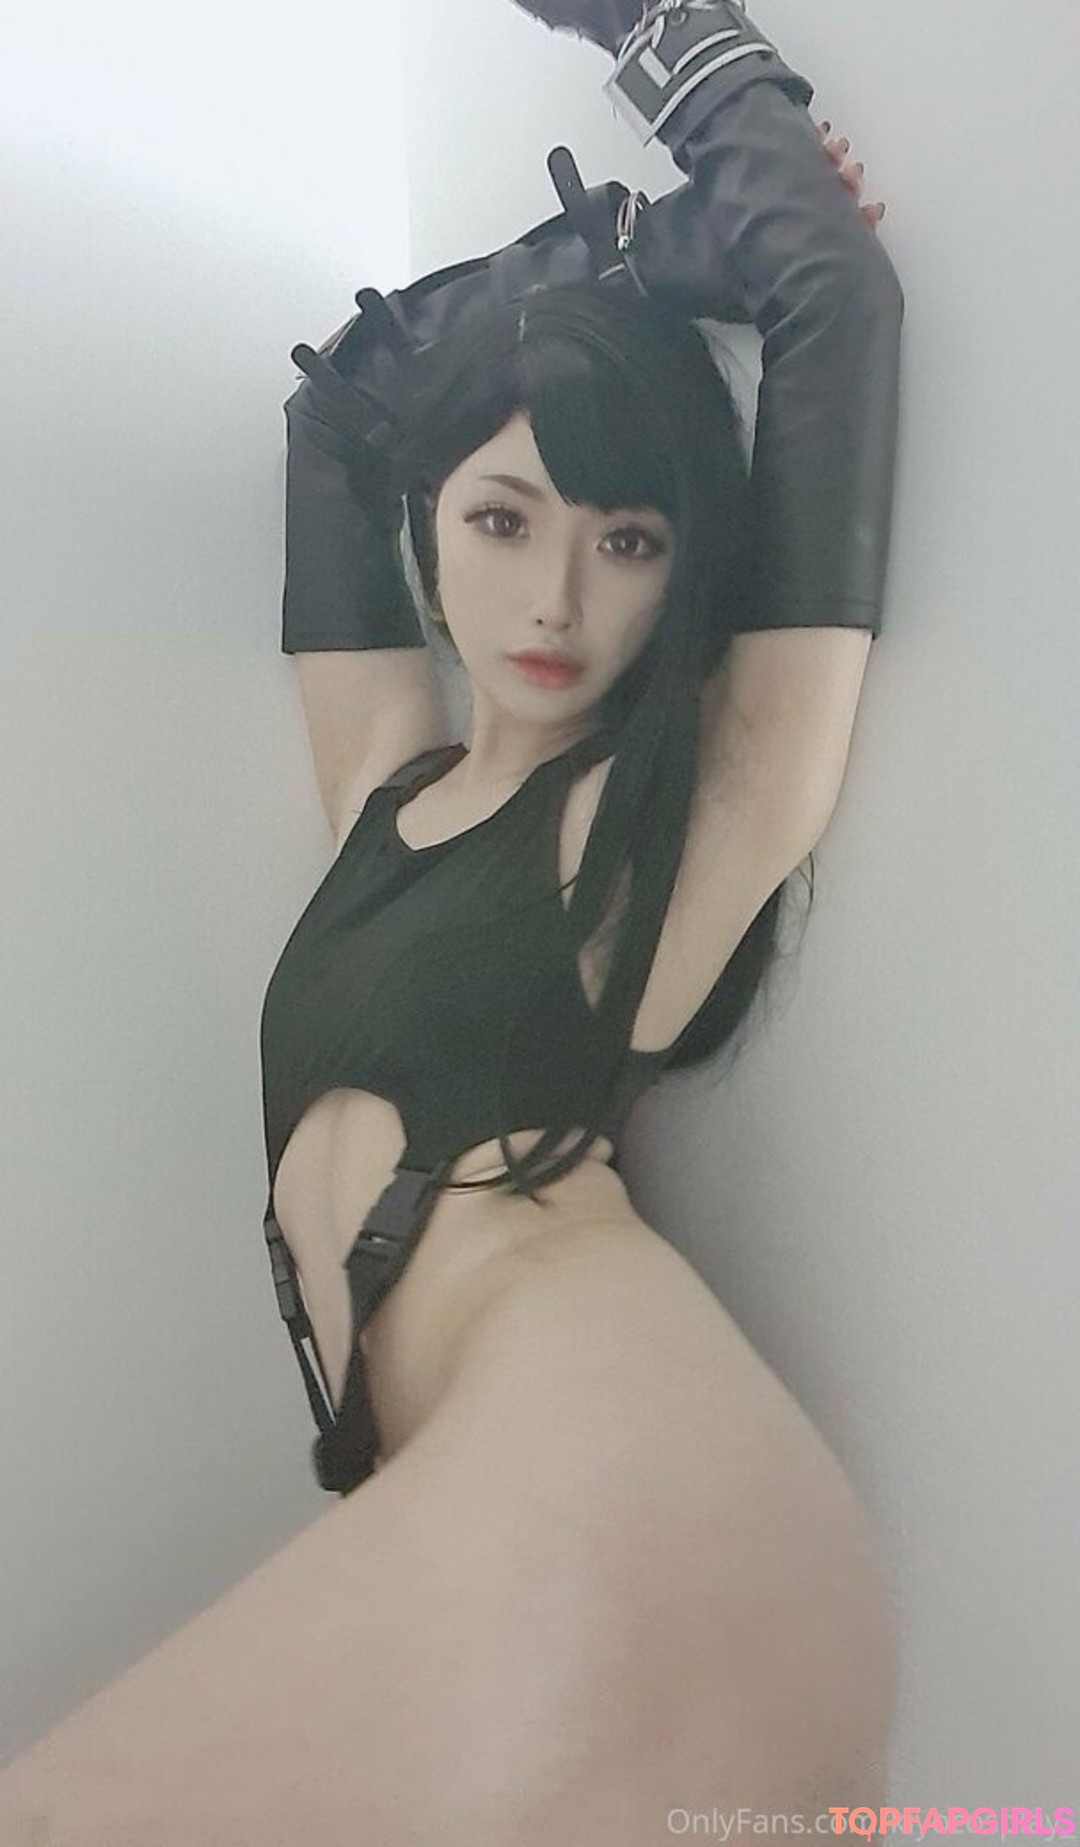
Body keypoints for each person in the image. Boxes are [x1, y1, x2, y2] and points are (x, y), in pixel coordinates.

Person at [0, 4, 904, 1841]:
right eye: (503, 519)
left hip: (623, 1490)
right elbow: (334, 405)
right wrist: (631, 257)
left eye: (629, 539)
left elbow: (838, 299)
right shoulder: (383, 791)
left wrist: (650, 36)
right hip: (480, 1506)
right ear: (433, 532)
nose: (556, 597)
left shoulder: (673, 818)